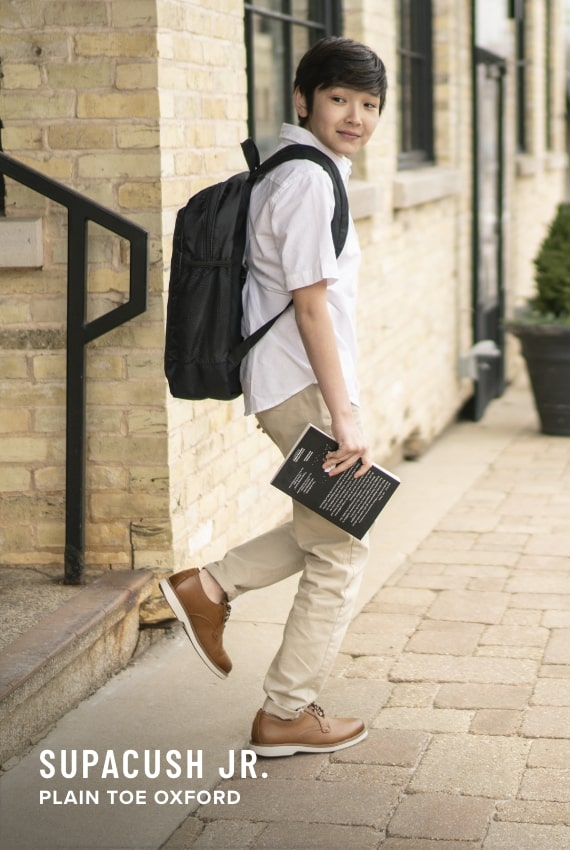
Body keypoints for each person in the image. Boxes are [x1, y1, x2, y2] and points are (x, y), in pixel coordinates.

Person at [160, 36, 388, 758]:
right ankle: (287, 711)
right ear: (304, 99)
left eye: (369, 104)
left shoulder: (299, 171)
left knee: (327, 529)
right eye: (339, 98)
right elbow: (310, 305)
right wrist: (345, 415)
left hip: (292, 383)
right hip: (303, 388)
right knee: (341, 552)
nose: (355, 115)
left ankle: (210, 587)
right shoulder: (308, 181)